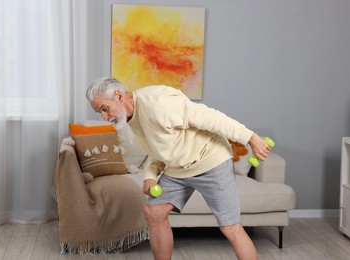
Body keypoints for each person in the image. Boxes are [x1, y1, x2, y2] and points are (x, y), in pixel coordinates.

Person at [86, 77, 271, 260]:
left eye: (104, 108)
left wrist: (251, 138)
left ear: (118, 95)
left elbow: (211, 117)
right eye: (99, 112)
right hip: (178, 168)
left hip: (210, 160)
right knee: (154, 212)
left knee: (230, 227)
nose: (104, 117)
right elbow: (158, 150)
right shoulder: (130, 122)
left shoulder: (158, 103)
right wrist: (149, 176)